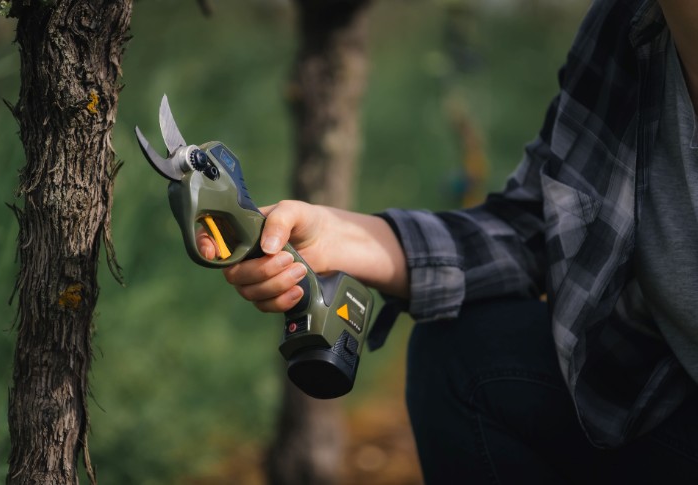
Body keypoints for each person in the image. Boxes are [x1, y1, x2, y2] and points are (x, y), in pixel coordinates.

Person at [199, 0, 698, 482]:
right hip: (672, 398)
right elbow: (537, 227)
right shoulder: (628, 26)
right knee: (466, 358)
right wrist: (351, 238)